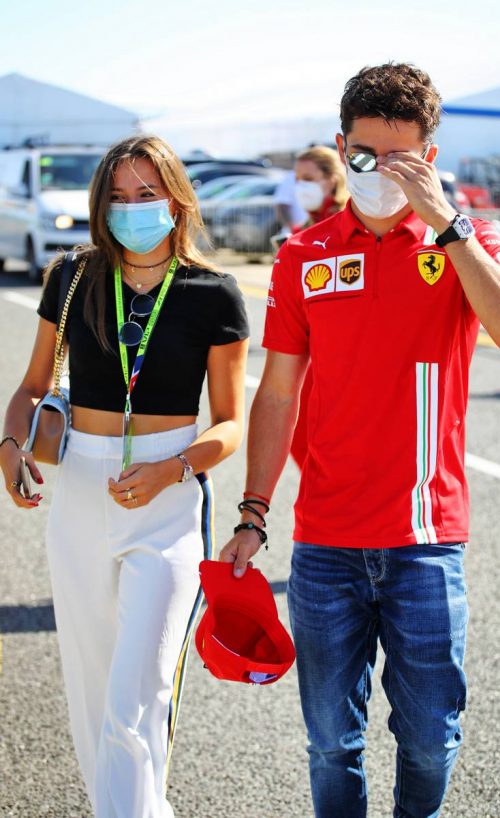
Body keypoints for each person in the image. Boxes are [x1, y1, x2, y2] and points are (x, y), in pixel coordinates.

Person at [220, 63, 500, 818]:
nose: (378, 173)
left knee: (430, 739)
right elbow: (276, 392)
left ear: (428, 158)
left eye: (399, 159)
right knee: (331, 741)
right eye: (362, 156)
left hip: (426, 542)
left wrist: (448, 224)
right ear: (341, 146)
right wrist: (254, 511)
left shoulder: (464, 242)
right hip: (325, 544)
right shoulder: (304, 255)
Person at [0, 134, 249, 818]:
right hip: (79, 488)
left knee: (137, 692)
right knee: (90, 687)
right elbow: (28, 389)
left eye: (147, 194)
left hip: (168, 500)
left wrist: (174, 467)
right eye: (117, 195)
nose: (132, 208)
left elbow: (229, 423)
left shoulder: (213, 293)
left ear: (176, 200)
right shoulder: (73, 275)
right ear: (99, 203)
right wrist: (9, 445)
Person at [290, 145, 348, 468]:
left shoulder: (347, 222)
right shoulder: (302, 230)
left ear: (331, 180)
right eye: (297, 178)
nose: (301, 186)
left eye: (309, 178)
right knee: (297, 438)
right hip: (304, 349)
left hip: (335, 353)